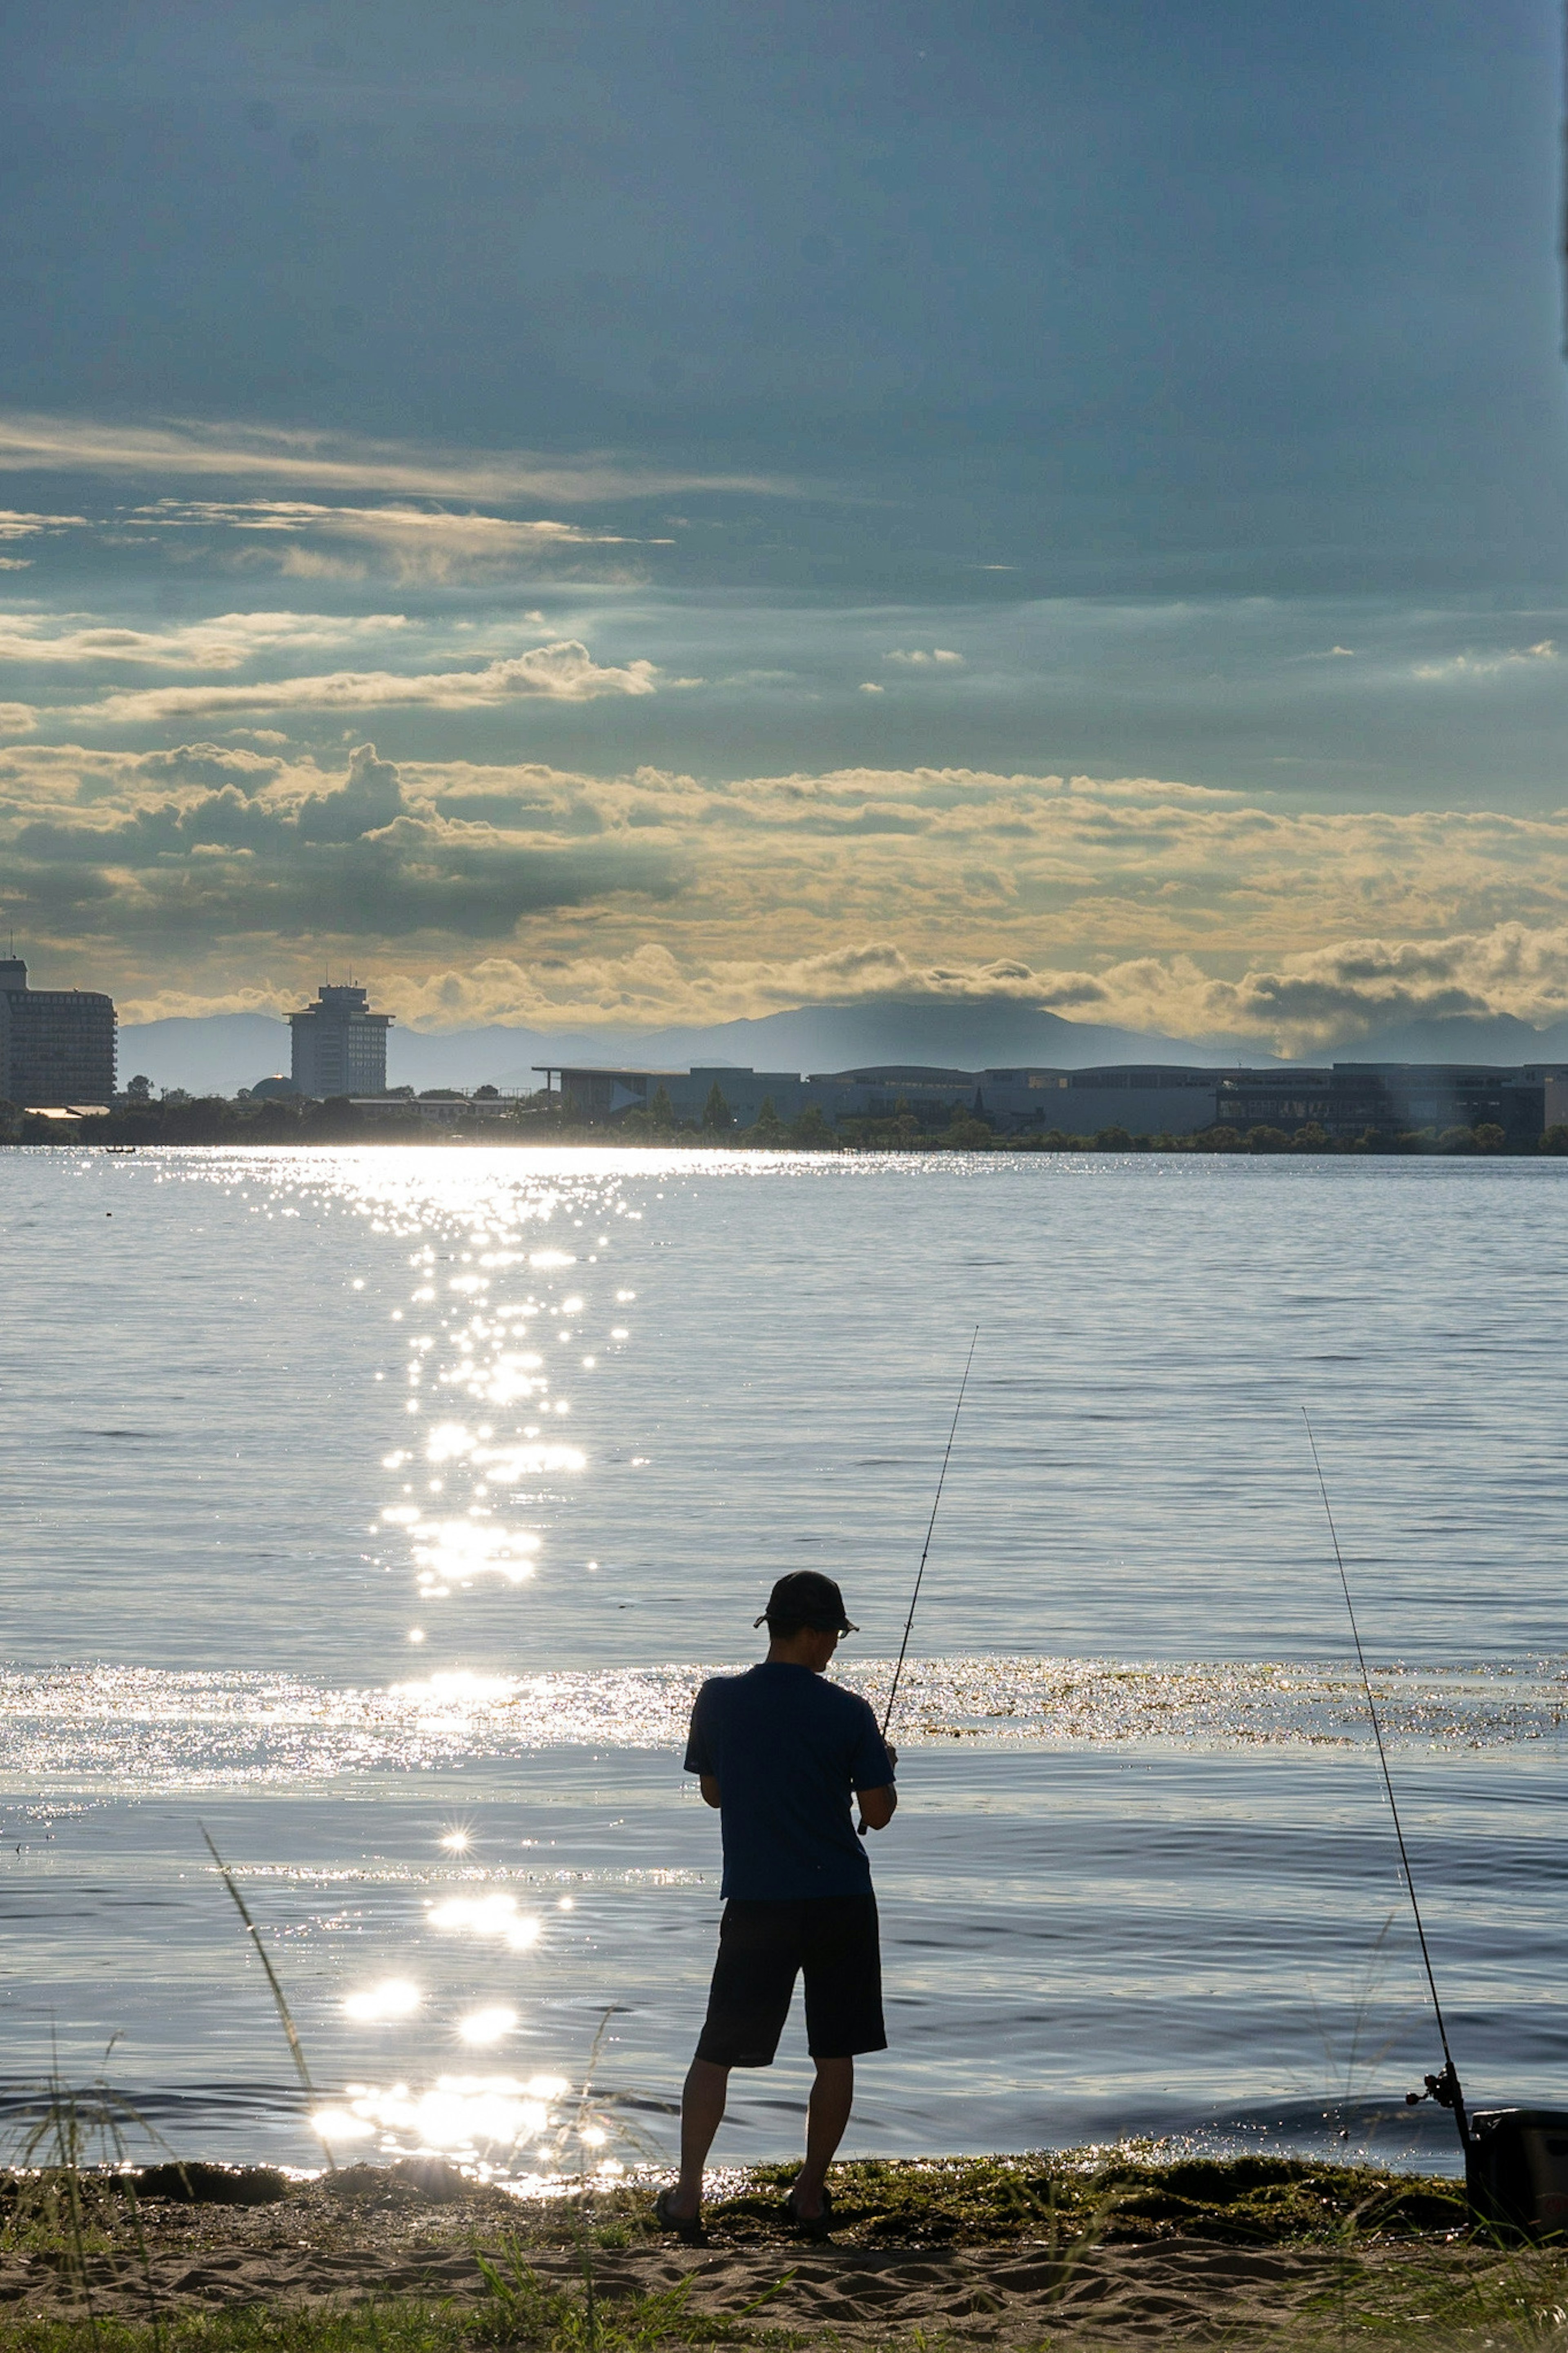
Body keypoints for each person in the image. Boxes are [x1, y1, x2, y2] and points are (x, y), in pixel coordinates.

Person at [656, 1570, 898, 2239]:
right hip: (840, 1901)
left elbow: (715, 1793)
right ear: (816, 1633)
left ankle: (688, 2197)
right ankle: (810, 2194)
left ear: (773, 1627)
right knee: (835, 2053)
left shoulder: (718, 1699)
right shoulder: (850, 1712)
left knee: (717, 2051)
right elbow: (877, 1813)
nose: (836, 1650)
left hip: (758, 1901)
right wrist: (882, 1765)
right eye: (836, 1637)